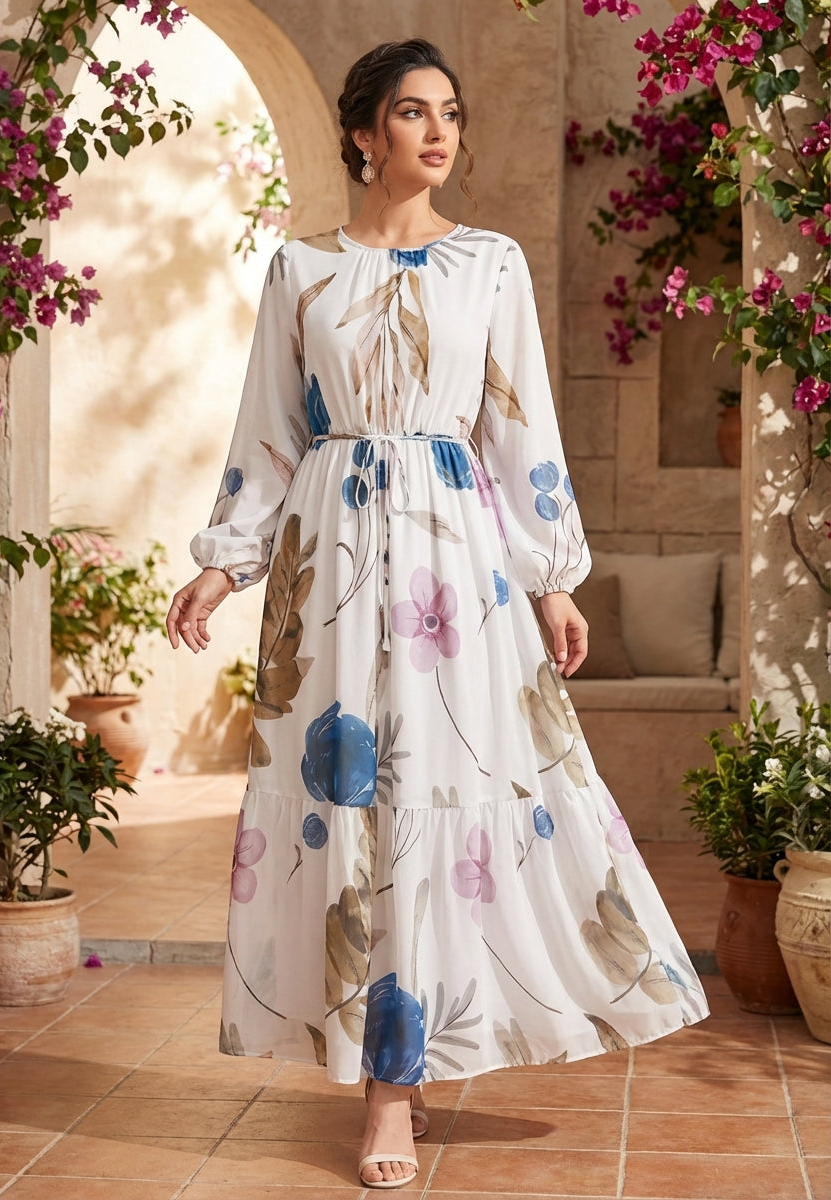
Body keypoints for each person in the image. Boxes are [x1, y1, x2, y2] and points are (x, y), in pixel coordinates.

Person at [166, 38, 710, 1191]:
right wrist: (225, 565)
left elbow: (518, 435)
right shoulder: (298, 271)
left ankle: (402, 1086)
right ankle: (377, 1078)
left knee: (442, 800)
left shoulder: (490, 267)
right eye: (410, 113)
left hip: (451, 575)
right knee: (349, 803)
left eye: (450, 114)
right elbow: (268, 432)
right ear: (363, 134)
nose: (436, 132)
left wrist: (552, 576)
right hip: (325, 573)